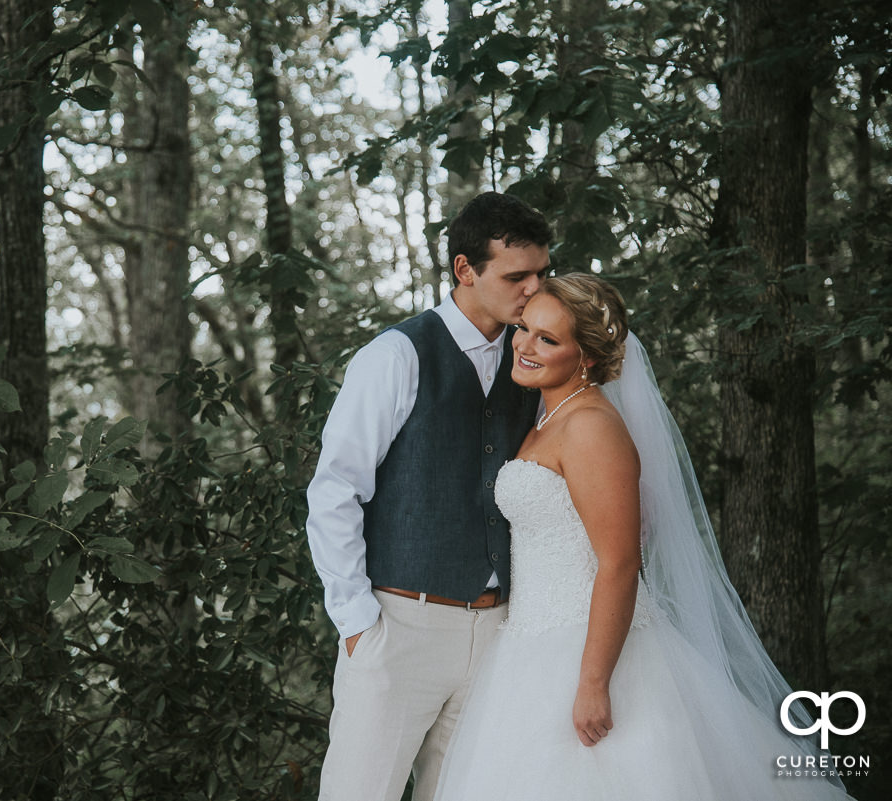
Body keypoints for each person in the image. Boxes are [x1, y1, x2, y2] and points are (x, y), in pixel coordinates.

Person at [435, 273, 854, 800]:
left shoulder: (590, 425)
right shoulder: (547, 415)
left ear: (585, 356)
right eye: (524, 328)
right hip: (529, 644)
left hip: (589, 651)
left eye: (548, 339)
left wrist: (592, 683)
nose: (523, 345)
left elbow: (619, 563)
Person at [305, 191, 551, 801]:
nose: (533, 288)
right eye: (516, 275)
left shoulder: (534, 359)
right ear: (466, 270)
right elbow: (335, 489)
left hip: (498, 634)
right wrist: (359, 622)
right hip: (399, 624)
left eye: (542, 273)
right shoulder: (396, 356)